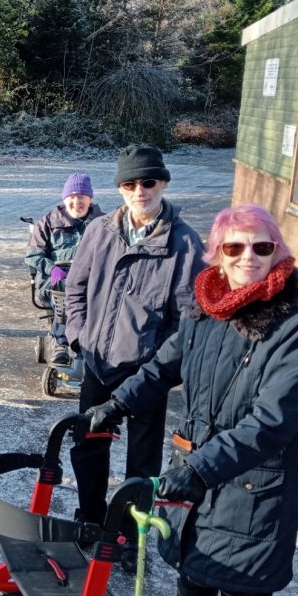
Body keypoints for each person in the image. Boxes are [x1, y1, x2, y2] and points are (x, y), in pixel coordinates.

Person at [88, 204, 298, 596]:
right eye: (234, 248)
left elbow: (272, 421)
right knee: (191, 582)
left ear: (277, 252)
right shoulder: (203, 309)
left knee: (241, 591)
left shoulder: (296, 325)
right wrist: (117, 404)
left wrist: (199, 469)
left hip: (251, 493)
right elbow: (161, 368)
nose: (248, 257)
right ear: (217, 254)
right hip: (194, 486)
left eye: (261, 248)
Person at [64, 145, 206, 571]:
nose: (139, 191)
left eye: (148, 182)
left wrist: (158, 368)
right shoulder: (99, 231)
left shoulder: (185, 244)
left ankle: (126, 532)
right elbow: (75, 288)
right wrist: (77, 338)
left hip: (147, 374)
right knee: (87, 446)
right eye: (129, 183)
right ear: (120, 188)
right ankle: (90, 517)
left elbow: (188, 321)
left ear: (162, 183)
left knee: (141, 463)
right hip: (96, 361)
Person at [24, 173, 104, 364]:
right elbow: (33, 255)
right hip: (55, 281)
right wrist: (52, 269)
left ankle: (97, 343)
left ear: (90, 198)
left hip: (92, 278)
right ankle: (62, 342)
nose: (77, 201)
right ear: (65, 198)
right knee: (65, 292)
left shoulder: (104, 223)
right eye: (72, 197)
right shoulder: (48, 222)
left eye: (82, 197)